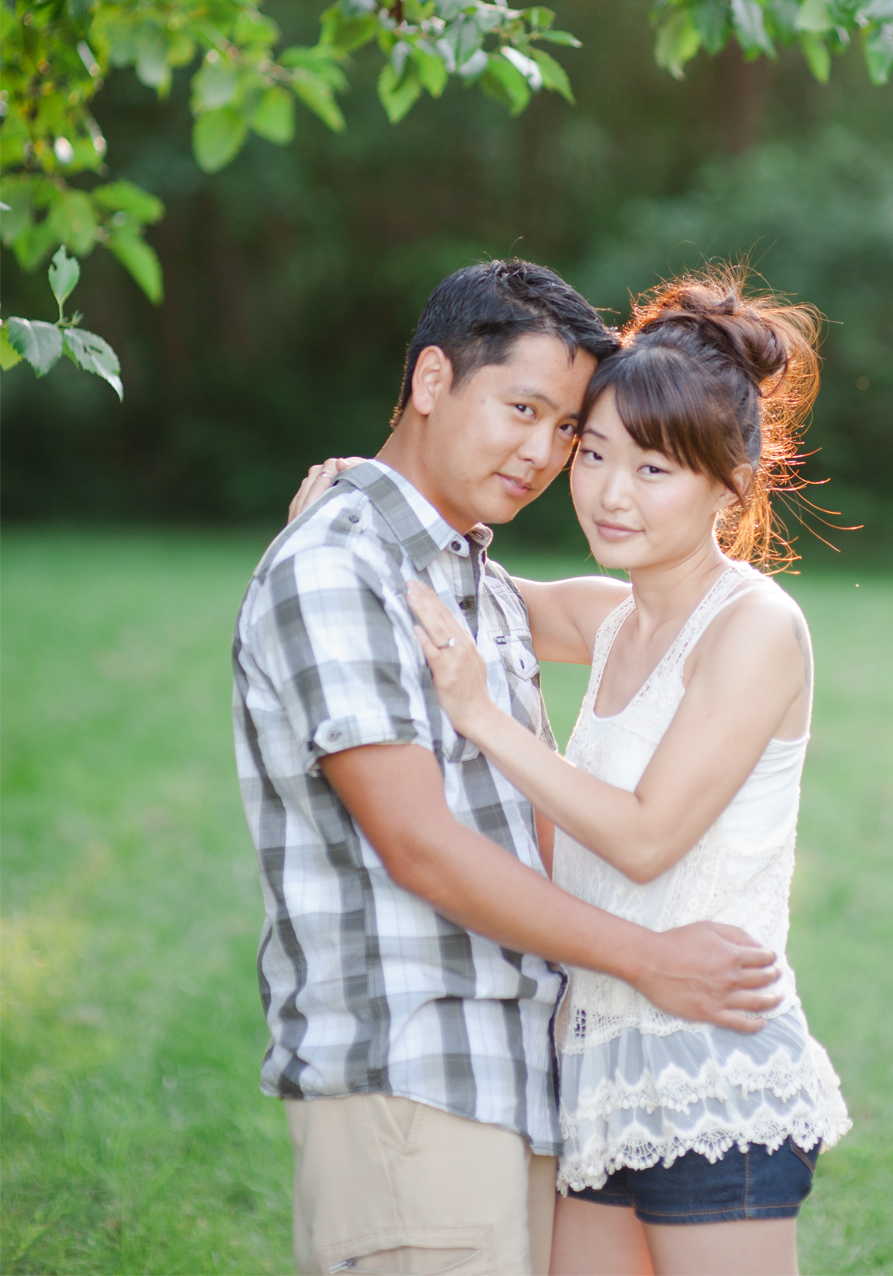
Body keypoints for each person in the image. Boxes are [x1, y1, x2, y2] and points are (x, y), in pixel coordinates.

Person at [237, 260, 786, 1276]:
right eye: (525, 410)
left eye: (565, 428)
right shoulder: (348, 568)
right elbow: (422, 848)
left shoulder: (468, 578)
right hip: (418, 1073)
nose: (545, 454)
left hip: (545, 1074)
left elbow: (648, 640)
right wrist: (654, 958)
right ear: (432, 379)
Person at [402, 269, 850, 1276]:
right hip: (599, 1070)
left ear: (729, 482)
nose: (607, 492)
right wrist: (362, 486)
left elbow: (648, 838)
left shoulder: (756, 628)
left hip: (712, 1069)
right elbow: (463, 575)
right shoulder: (614, 621)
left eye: (653, 470)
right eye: (593, 454)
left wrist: (484, 718)